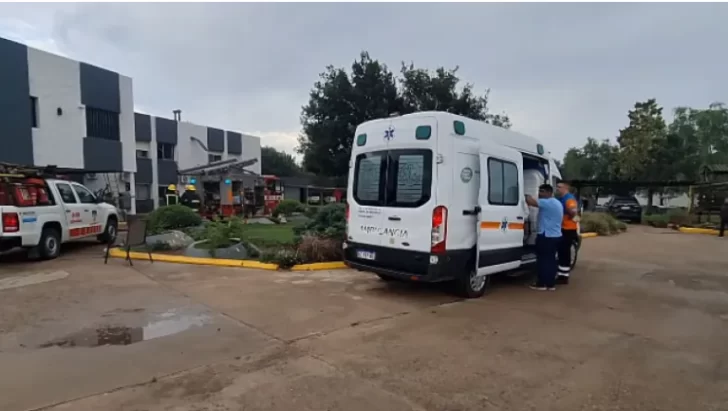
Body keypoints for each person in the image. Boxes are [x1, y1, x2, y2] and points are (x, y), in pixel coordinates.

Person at [525, 184, 564, 291]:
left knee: (543, 260)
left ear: (548, 192)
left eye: (542, 191)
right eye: (539, 191)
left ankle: (542, 283)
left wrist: (523, 193)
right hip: (555, 235)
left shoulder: (548, 202)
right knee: (551, 260)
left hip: (546, 236)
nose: (539, 193)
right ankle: (550, 284)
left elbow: (530, 201)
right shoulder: (557, 203)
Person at [555, 181, 579, 284]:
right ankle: (561, 274)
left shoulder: (569, 198)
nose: (557, 189)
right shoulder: (561, 198)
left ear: (566, 188)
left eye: (559, 187)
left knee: (565, 253)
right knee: (561, 252)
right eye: (557, 187)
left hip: (568, 229)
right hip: (563, 228)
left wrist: (569, 211)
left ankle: (564, 276)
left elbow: (574, 213)